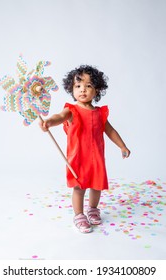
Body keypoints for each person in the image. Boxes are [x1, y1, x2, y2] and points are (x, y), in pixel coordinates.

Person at [39, 65, 130, 233]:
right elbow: (59, 117)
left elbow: (110, 131)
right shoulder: (72, 110)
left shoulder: (99, 113)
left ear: (97, 90)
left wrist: (122, 146)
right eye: (78, 86)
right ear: (71, 88)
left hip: (96, 157)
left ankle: (93, 209)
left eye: (88, 86)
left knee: (96, 185)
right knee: (79, 187)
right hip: (78, 157)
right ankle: (79, 214)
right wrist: (48, 122)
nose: (83, 90)